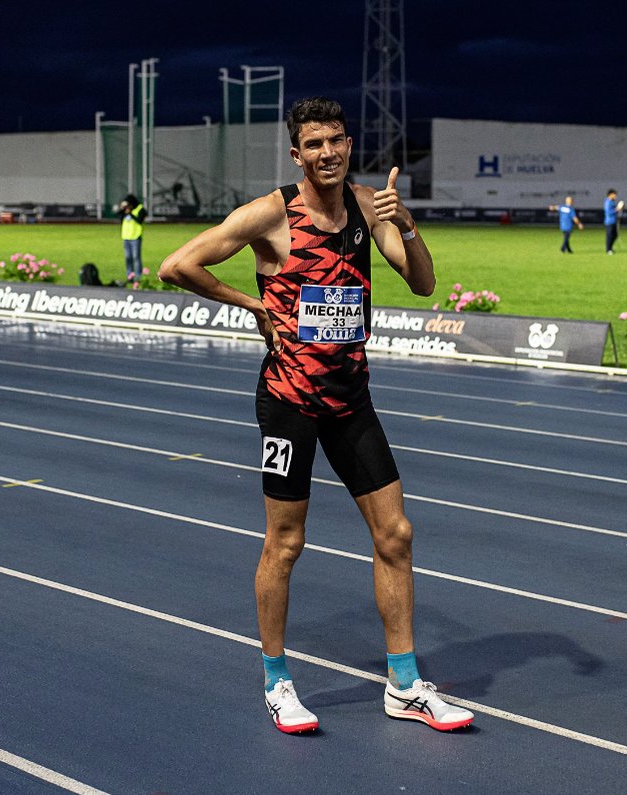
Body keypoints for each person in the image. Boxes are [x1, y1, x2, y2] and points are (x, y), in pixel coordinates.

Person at [159, 96, 474, 735]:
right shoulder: (271, 214)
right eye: (315, 143)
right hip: (290, 402)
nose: (328, 152)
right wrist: (251, 303)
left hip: (350, 397)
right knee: (287, 542)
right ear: (296, 152)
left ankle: (405, 684)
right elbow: (176, 266)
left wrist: (406, 222)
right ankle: (278, 681)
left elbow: (422, 285)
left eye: (337, 140)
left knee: (396, 536)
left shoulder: (366, 206)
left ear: (348, 144)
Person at [119, 193, 147, 284]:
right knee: (128, 257)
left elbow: (139, 221)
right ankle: (129, 275)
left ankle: (138, 276)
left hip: (135, 237)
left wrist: (130, 213)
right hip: (126, 237)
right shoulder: (125, 210)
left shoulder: (140, 209)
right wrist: (123, 210)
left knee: (136, 257)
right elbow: (119, 217)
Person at [604, 188, 624, 254]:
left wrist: (620, 208)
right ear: (610, 195)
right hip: (609, 221)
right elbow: (609, 212)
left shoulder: (612, 202)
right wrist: (617, 209)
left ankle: (610, 248)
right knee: (609, 236)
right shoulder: (608, 202)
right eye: (614, 195)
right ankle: (608, 250)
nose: (615, 196)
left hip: (613, 221)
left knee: (615, 235)